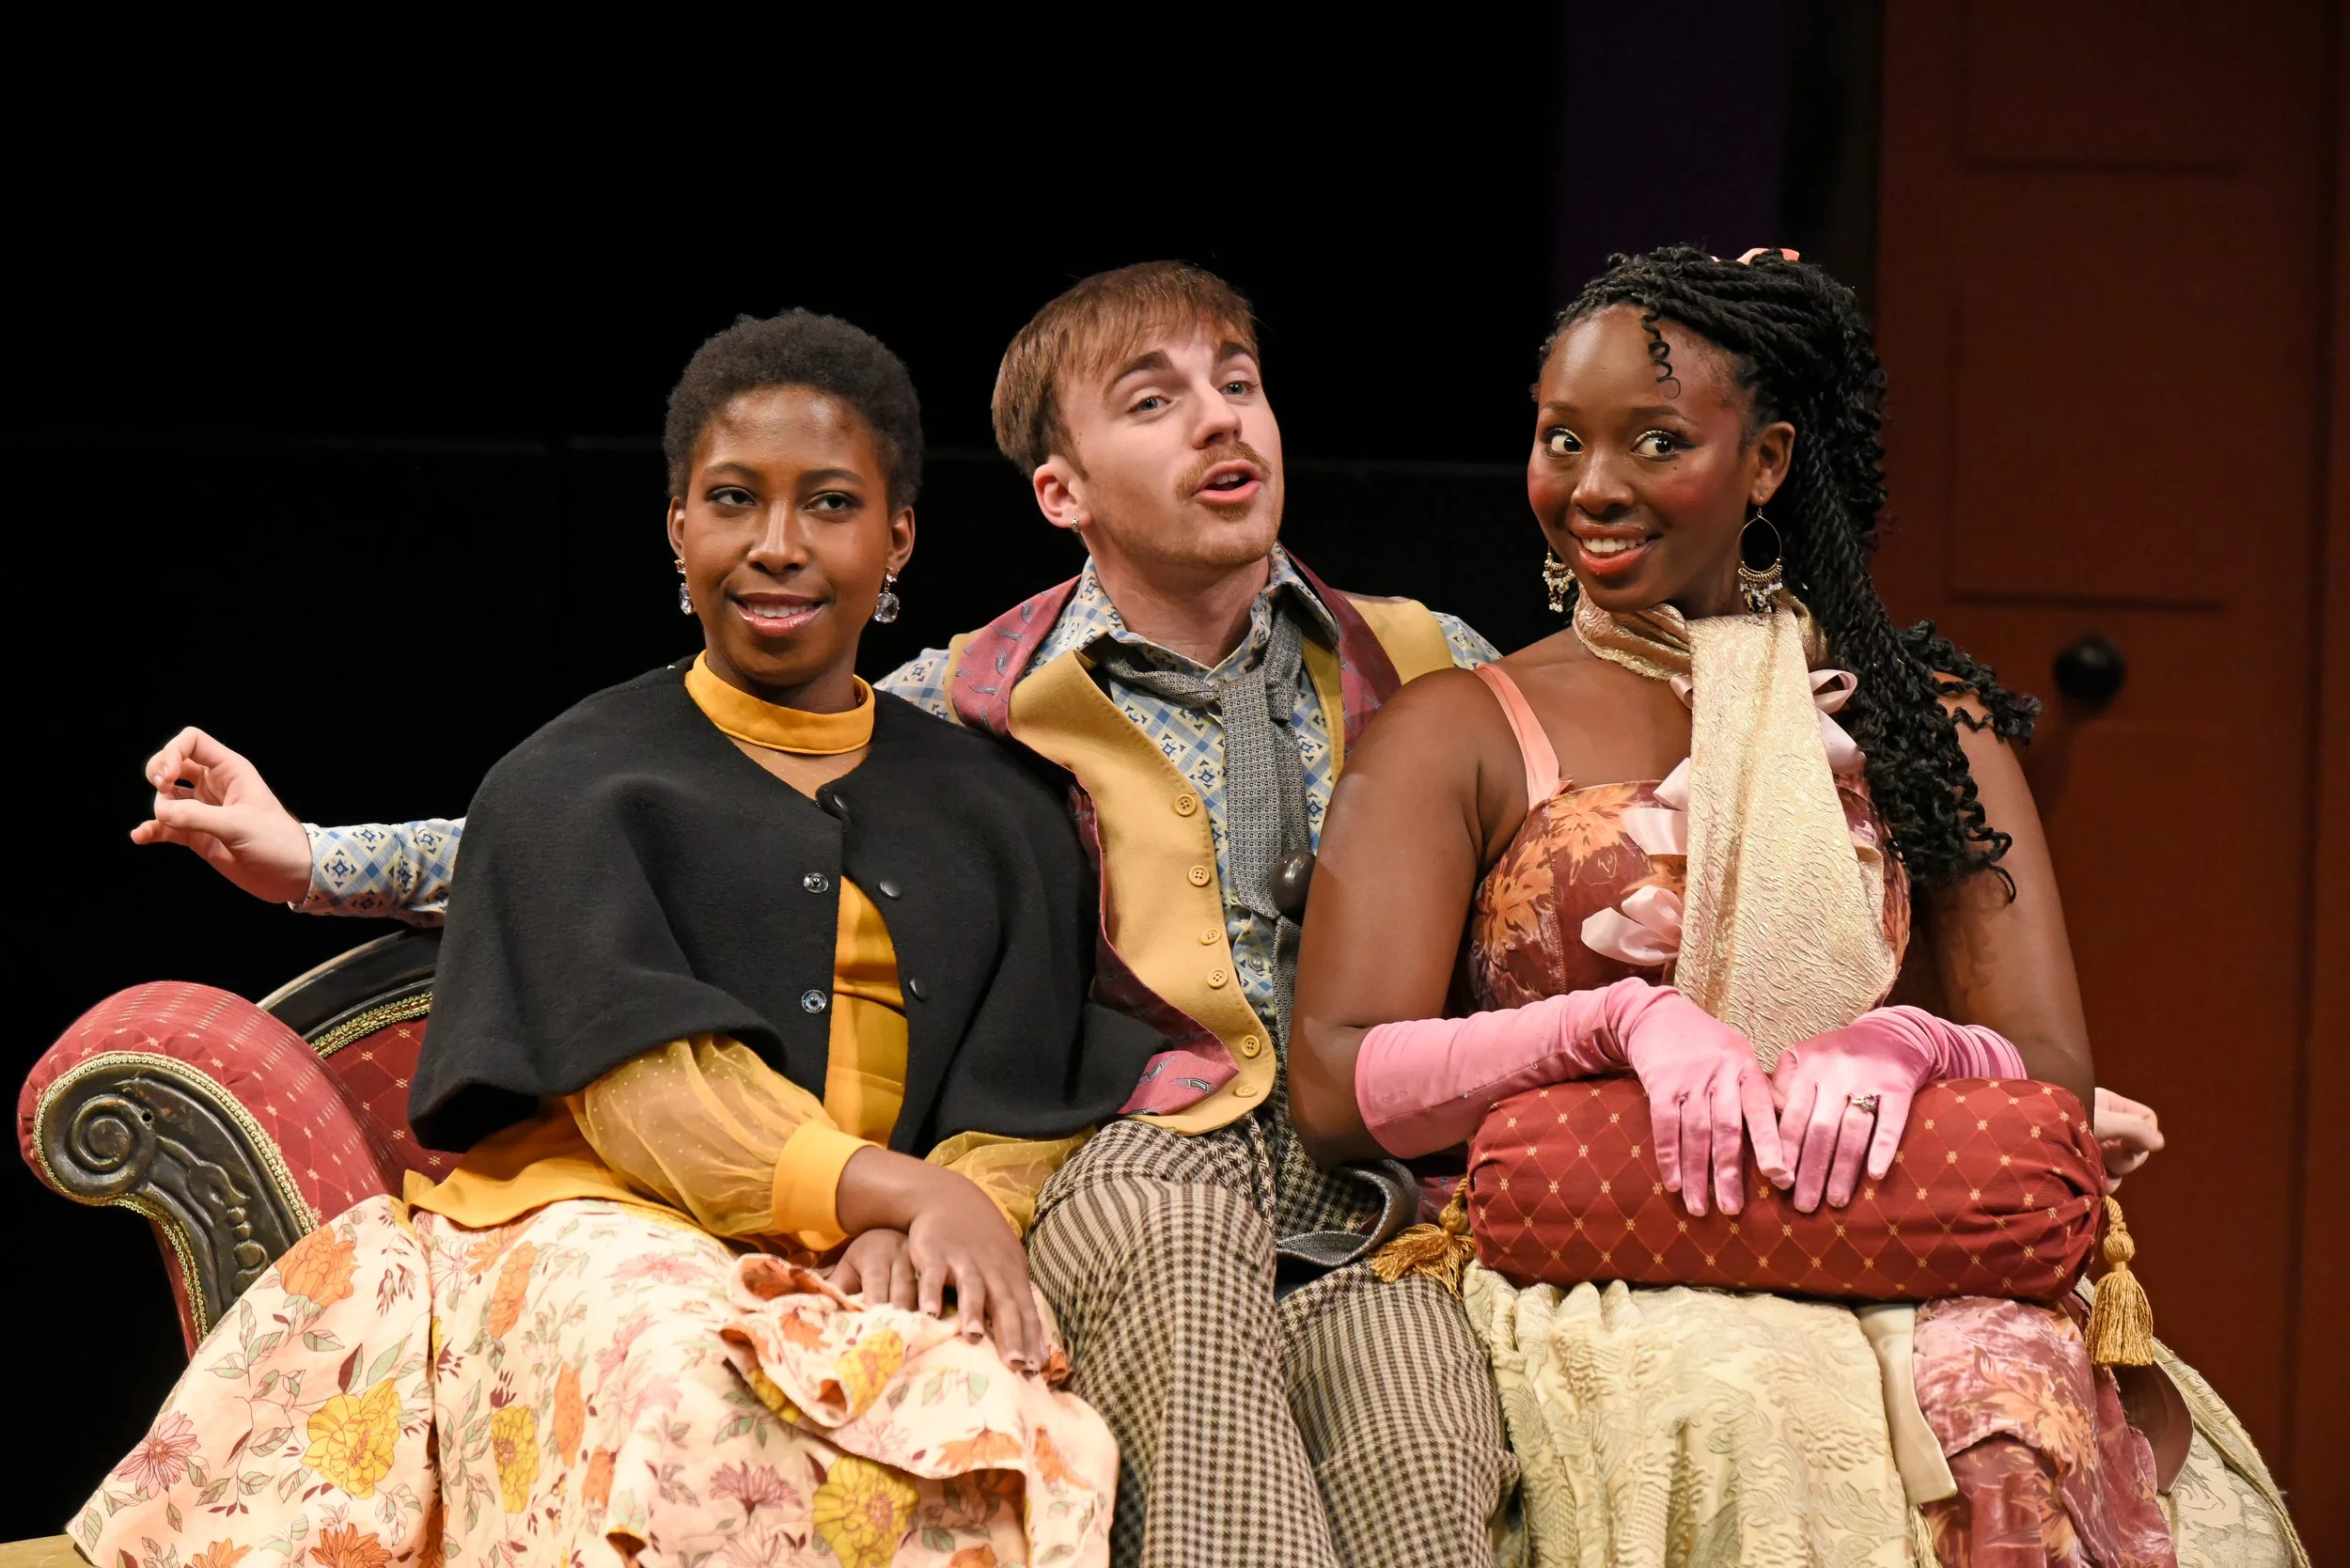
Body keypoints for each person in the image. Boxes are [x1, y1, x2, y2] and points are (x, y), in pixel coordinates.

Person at [131, 263, 1517, 1568]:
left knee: (1416, 1434)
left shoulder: (1406, 663)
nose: (1217, 420)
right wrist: (312, 856)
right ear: (1058, 486)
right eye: (1153, 401)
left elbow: (1595, 826)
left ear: (898, 532)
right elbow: (556, 847)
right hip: (1111, 1173)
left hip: (1362, 1198)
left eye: (1237, 382)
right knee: (1119, 1303)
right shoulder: (980, 703)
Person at [89, 309, 1159, 1568]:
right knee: (690, 1390)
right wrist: (887, 1188)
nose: (776, 545)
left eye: (828, 504)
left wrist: (936, 1218)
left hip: (879, 1243)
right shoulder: (569, 784)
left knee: (999, 1419)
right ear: (676, 526)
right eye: (731, 500)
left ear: (898, 537)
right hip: (601, 1226)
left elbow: (1019, 1092)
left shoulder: (999, 807)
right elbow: (655, 1100)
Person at [1290, 246, 2304, 1567]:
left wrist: (1907, 1044)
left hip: (1893, 1249)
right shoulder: (1456, 731)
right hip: (1595, 1271)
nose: (1594, 488)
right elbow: (1331, 1078)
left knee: (2019, 1433)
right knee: (1734, 1428)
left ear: (1765, 463)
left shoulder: (1919, 728)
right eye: (1561, 442)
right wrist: (1614, 1027)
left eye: (1657, 442)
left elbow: (2053, 1067)